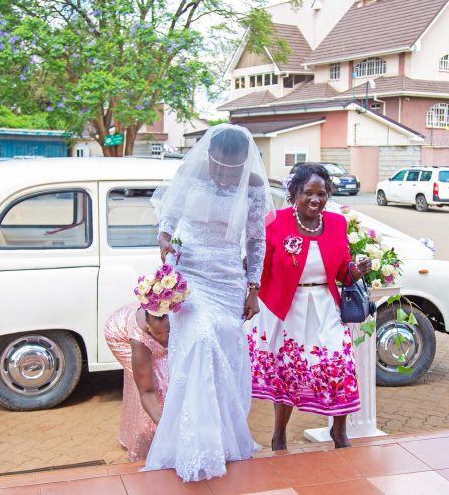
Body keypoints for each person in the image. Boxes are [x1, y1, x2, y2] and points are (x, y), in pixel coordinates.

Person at [144, 124, 275, 481]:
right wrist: (165, 240)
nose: (223, 174)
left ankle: (221, 439)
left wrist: (253, 288)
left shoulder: (254, 188)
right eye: (218, 165)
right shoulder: (190, 174)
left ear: (244, 163)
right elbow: (168, 219)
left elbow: (256, 242)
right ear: (209, 156)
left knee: (224, 361)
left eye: (232, 168)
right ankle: (193, 445)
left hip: (229, 280)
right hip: (189, 278)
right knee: (200, 343)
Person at [247, 163, 371, 450]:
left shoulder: (337, 223)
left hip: (325, 306)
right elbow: (260, 268)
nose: (315, 200)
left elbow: (342, 271)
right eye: (308, 193)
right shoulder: (275, 221)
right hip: (287, 309)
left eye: (321, 194)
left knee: (340, 365)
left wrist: (357, 269)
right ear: (294, 193)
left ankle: (339, 432)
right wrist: (253, 297)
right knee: (288, 372)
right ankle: (279, 435)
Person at [104, 302, 170, 461]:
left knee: (167, 374)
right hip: (118, 335)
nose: (164, 339)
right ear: (149, 325)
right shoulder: (139, 340)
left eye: (167, 332)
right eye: (158, 334)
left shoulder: (174, 317)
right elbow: (147, 391)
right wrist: (167, 429)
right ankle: (146, 441)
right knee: (156, 384)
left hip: (135, 321)